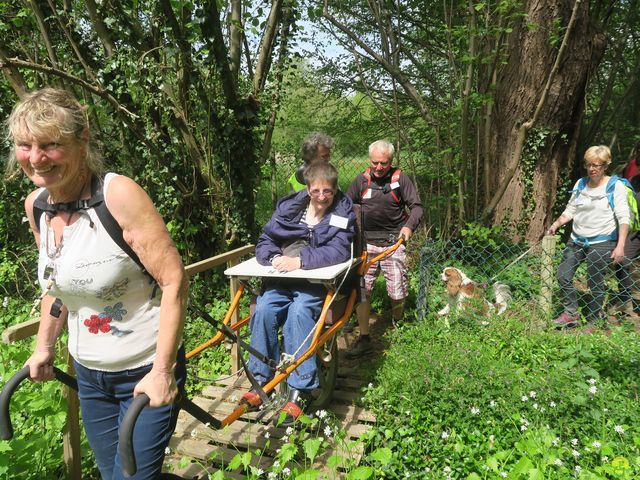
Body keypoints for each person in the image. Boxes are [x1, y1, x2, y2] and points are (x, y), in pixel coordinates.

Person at [6, 88, 188, 479]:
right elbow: (56, 286)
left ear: (82, 138)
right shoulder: (36, 205)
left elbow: (174, 281)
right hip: (89, 377)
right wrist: (43, 347)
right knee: (112, 475)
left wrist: (162, 371)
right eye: (25, 145)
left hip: (145, 368)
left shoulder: (117, 195)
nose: (35, 158)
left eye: (50, 144)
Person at [242, 162, 355, 424]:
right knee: (264, 308)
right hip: (281, 279)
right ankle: (261, 381)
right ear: (307, 188)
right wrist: (273, 258)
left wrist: (300, 261)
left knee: (300, 312)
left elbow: (339, 250)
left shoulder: (342, 212)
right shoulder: (289, 208)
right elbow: (266, 240)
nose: (322, 196)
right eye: (316, 191)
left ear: (335, 189)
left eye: (327, 191)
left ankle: (301, 387)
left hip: (313, 281)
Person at [345, 140, 423, 357]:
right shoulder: (361, 180)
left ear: (391, 161)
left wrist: (408, 227)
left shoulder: (400, 179)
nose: (379, 168)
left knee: (397, 290)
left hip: (393, 242)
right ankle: (364, 337)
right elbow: (344, 206)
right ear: (369, 160)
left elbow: (416, 207)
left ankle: (398, 326)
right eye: (375, 163)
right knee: (362, 291)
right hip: (365, 244)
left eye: (384, 163)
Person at [548, 145, 630, 328]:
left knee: (595, 283)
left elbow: (624, 217)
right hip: (576, 239)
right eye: (589, 165)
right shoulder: (581, 184)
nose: (592, 169)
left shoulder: (615, 186)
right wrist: (555, 224)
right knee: (563, 275)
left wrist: (621, 246)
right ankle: (571, 313)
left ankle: (594, 319)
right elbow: (571, 210)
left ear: (605, 166)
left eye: (597, 165)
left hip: (602, 241)